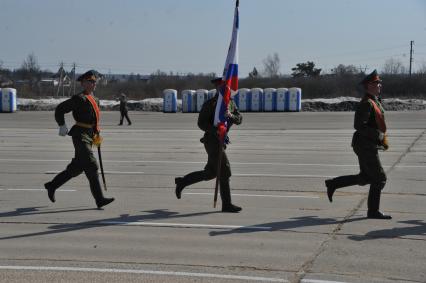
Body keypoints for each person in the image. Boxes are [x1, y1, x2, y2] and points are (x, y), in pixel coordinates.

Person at [325, 70, 391, 219]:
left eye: (380, 83)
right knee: (380, 178)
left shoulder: (375, 100)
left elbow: (376, 124)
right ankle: (373, 211)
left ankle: (333, 184)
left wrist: (381, 139)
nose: (379, 85)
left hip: (368, 144)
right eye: (376, 83)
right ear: (369, 86)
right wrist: (378, 135)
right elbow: (359, 125)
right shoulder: (366, 103)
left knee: (366, 177)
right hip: (364, 145)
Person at [44, 70, 115, 209]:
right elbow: (60, 109)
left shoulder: (95, 99)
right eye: (90, 81)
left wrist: (96, 134)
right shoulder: (79, 98)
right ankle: (99, 199)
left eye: (94, 81)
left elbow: (94, 119)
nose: (93, 84)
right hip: (80, 135)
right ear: (83, 83)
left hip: (89, 135)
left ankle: (52, 185)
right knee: (92, 165)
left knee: (76, 169)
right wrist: (62, 125)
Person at [175, 77, 243, 212]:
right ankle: (227, 204)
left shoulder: (229, 103)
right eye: (221, 87)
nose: (223, 89)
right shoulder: (211, 104)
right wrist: (216, 130)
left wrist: (231, 116)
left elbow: (239, 118)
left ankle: (183, 181)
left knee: (211, 173)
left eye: (225, 87)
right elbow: (201, 123)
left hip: (221, 141)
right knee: (225, 171)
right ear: (217, 88)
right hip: (212, 141)